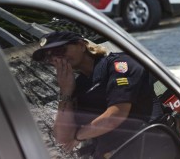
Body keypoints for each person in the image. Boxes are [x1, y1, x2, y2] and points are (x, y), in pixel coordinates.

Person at [32, 31, 161, 158]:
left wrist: (78, 136)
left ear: (81, 45)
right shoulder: (77, 86)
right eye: (48, 58)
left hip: (148, 146)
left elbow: (114, 117)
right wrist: (65, 92)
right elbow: (63, 137)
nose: (55, 59)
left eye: (59, 51)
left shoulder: (119, 65)